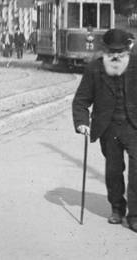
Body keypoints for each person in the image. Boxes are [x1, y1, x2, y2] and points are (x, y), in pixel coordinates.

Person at [73, 27, 137, 230]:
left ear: (128, 51)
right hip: (109, 128)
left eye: (120, 53)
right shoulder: (94, 69)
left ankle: (135, 216)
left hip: (134, 127)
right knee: (113, 172)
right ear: (104, 52)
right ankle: (117, 208)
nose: (116, 56)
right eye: (111, 53)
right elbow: (81, 100)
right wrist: (82, 121)